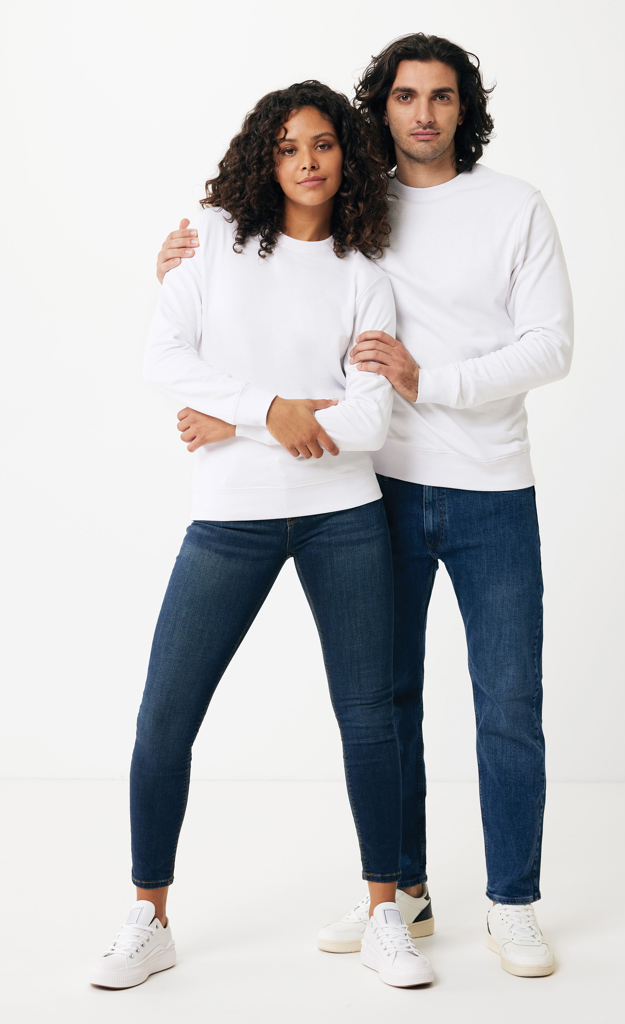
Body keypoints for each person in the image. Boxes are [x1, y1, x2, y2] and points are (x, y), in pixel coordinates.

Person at [156, 33, 573, 980]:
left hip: (492, 489)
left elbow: (550, 346)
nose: (422, 112)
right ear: (379, 109)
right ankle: (404, 894)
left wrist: (433, 381)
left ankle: (513, 902)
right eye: (404, 96)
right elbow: (269, 298)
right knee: (386, 704)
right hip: (377, 485)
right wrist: (182, 265)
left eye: (441, 95)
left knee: (509, 704)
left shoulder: (514, 207)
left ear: (464, 108)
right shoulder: (353, 201)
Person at [88, 80, 434, 991]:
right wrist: (270, 409)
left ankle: (385, 913)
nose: (306, 162)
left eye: (322, 144)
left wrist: (236, 415)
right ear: (263, 159)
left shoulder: (364, 276)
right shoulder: (211, 240)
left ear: (346, 156)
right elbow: (165, 357)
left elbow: (370, 420)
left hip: (343, 515)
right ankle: (149, 916)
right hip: (230, 515)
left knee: (369, 717)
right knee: (165, 716)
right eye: (286, 148)